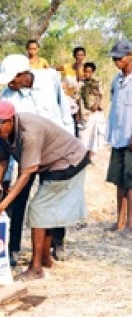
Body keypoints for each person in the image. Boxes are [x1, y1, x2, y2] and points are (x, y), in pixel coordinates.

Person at [0, 100, 89, 280]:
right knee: (44, 211)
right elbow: (2, 163)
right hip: (49, 163)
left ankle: (36, 268)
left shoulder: (29, 132)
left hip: (68, 161)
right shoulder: (5, 134)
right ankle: (45, 259)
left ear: (9, 121)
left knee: (38, 209)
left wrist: (1, 207)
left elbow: (25, 175)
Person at [0, 54, 74, 265]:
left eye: (13, 79)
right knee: (19, 199)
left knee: (53, 199)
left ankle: (57, 242)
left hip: (54, 153)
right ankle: (13, 247)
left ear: (24, 75)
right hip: (26, 153)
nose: (10, 84)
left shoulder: (50, 80)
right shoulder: (7, 96)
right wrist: (10, 169)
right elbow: (4, 134)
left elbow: (65, 114)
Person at [105, 39, 132, 234]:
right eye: (115, 58)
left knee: (131, 182)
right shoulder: (116, 80)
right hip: (118, 137)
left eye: (120, 58)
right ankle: (119, 221)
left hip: (131, 138)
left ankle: (131, 223)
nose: (116, 61)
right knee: (119, 181)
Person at [78, 62, 102, 157]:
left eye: (89, 72)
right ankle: (82, 157)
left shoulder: (97, 82)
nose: (87, 74)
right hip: (84, 112)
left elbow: (101, 95)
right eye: (85, 71)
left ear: (93, 72)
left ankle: (90, 157)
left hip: (94, 112)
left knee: (93, 136)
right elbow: (77, 99)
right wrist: (78, 114)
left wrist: (96, 104)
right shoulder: (81, 84)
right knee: (83, 136)